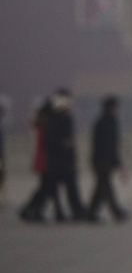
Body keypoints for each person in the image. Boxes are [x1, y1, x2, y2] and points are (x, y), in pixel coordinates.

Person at [19, 98, 65, 223]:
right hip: (45, 160)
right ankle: (35, 210)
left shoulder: (39, 124)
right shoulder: (45, 125)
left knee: (47, 187)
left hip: (42, 159)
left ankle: (36, 210)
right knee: (47, 188)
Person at [45, 89, 87, 220]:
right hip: (58, 160)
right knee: (54, 188)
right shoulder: (54, 118)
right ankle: (69, 212)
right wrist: (64, 143)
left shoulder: (65, 117)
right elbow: (49, 141)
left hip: (65, 160)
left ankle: (73, 211)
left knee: (64, 187)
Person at [86, 96, 128, 222]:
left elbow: (113, 145)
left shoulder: (112, 122)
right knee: (106, 188)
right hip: (101, 161)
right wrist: (106, 160)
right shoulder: (102, 123)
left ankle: (90, 213)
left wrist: (117, 161)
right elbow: (101, 145)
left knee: (100, 189)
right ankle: (117, 212)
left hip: (108, 160)